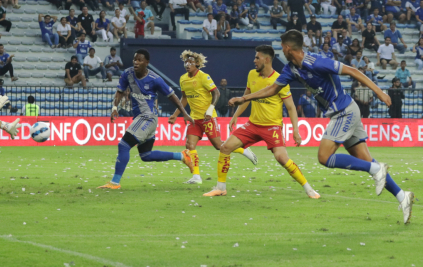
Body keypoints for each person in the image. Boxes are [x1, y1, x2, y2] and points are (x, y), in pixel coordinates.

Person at [229, 29, 414, 224]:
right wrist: (244, 98)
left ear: (287, 48)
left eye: (282, 47)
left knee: (325, 157)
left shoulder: (316, 62)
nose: (281, 51)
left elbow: (352, 70)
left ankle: (377, 169)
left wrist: (378, 92)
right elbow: (272, 89)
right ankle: (403, 197)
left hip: (344, 112)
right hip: (343, 113)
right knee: (365, 160)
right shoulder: (291, 68)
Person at [204, 45, 319, 198]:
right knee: (225, 148)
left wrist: (296, 131)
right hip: (252, 125)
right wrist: (235, 116)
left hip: (272, 127)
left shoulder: (280, 80)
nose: (254, 61)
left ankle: (309, 189)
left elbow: (291, 107)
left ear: (267, 59)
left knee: (281, 158)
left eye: (257, 58)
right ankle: (220, 188)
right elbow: (246, 97)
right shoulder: (252, 74)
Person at [97, 49, 195, 190]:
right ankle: (182, 156)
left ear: (147, 63)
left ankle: (114, 182)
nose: (136, 62)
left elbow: (172, 95)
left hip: (148, 118)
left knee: (124, 145)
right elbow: (120, 91)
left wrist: (183, 113)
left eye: (139, 60)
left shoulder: (155, 79)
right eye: (135, 59)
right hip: (141, 119)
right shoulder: (127, 74)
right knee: (146, 155)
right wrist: (114, 108)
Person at [168, 51, 257, 184]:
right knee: (190, 145)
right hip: (194, 119)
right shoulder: (183, 79)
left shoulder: (204, 77)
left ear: (197, 64)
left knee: (218, 146)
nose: (187, 64)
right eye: (186, 62)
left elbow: (216, 93)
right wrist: (176, 114)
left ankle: (243, 150)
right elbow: (184, 98)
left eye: (191, 62)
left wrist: (210, 109)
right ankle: (196, 177)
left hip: (208, 118)